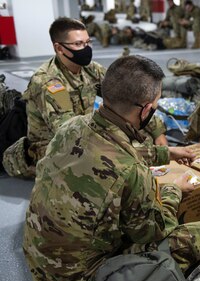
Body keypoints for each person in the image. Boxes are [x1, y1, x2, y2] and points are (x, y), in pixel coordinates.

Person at [22, 55, 200, 281]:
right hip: (81, 279)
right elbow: (154, 231)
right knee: (199, 235)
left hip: (38, 259)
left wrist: (168, 154)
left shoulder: (72, 126)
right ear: (146, 110)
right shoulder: (132, 171)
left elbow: (111, 155)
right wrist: (172, 190)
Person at [2, 18, 169, 178]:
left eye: (87, 42)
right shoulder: (48, 82)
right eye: (78, 44)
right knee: (112, 158)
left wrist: (157, 131)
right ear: (59, 48)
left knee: (138, 122)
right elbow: (70, 133)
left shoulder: (90, 69)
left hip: (83, 132)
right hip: (56, 147)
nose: (86, 48)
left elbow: (129, 95)